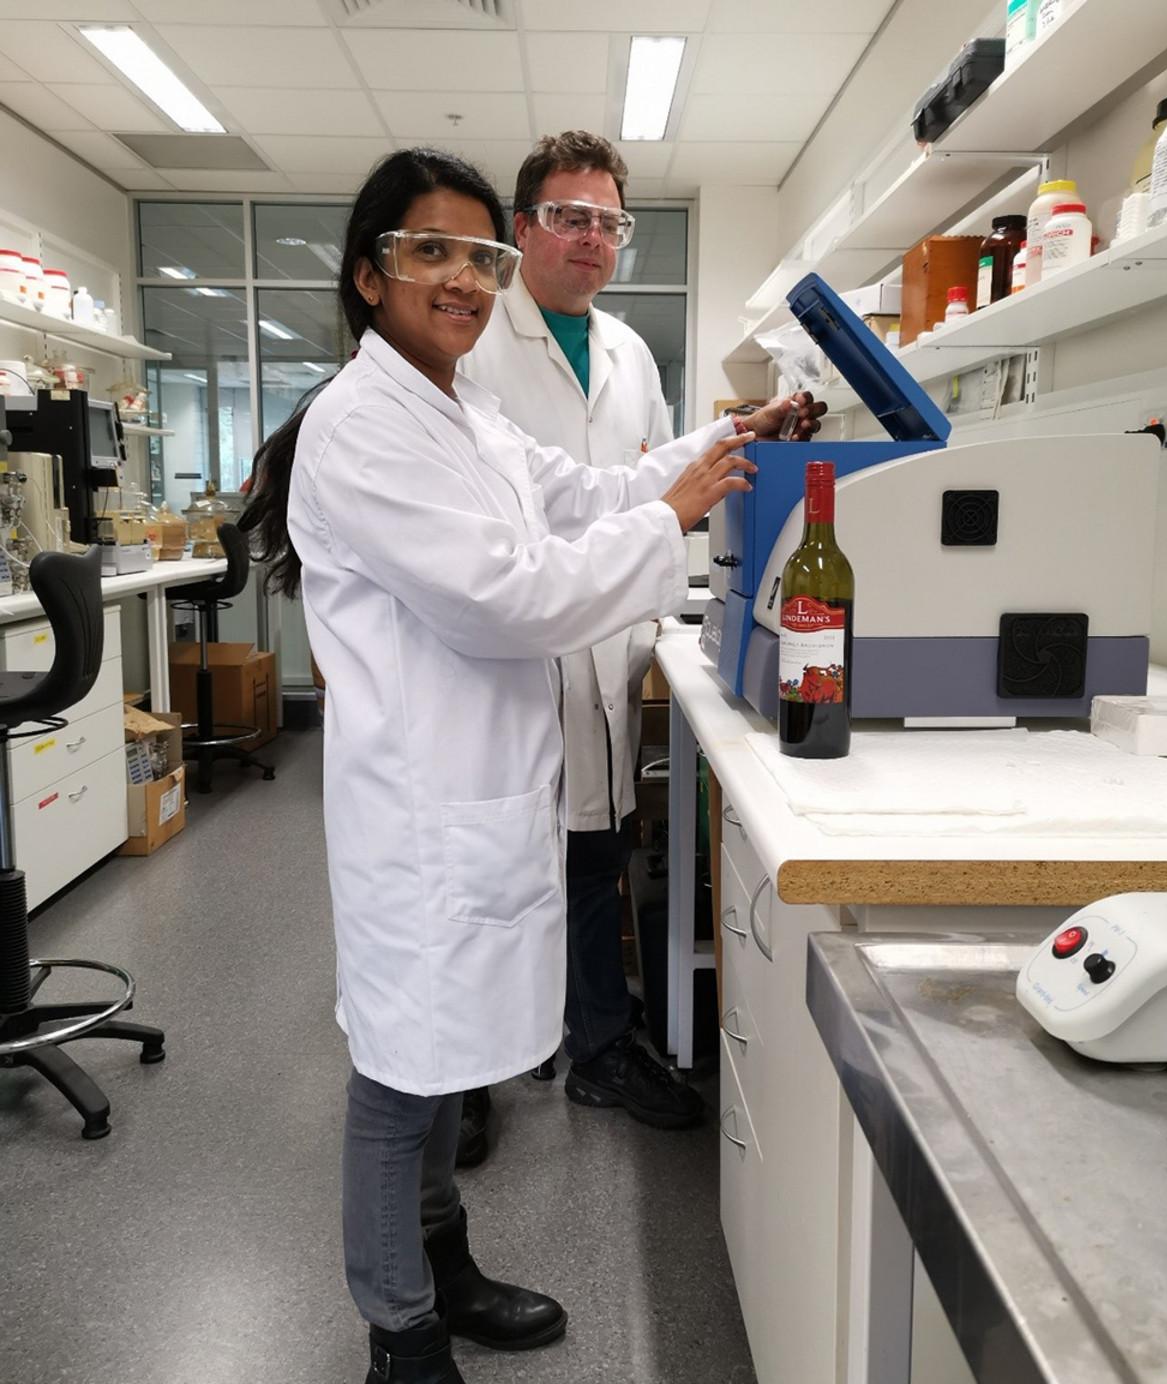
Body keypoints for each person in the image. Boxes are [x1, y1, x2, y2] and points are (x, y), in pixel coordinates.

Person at [241, 146, 818, 1384]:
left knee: (442, 1068)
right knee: (399, 1079)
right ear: (370, 274)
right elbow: (506, 596)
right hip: (417, 808)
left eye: (478, 257)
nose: (463, 277)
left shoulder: (466, 414)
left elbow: (589, 490)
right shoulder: (361, 427)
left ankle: (441, 1270)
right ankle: (400, 1337)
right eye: (430, 251)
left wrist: (727, 440)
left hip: (481, 791)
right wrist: (670, 519)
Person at [457, 131, 825, 1158]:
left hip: (606, 646)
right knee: (495, 865)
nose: (591, 237)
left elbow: (641, 480)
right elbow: (545, 512)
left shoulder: (626, 352)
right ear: (524, 227)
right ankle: (470, 1073)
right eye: (568, 216)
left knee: (594, 853)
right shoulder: (474, 342)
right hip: (509, 648)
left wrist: (740, 433)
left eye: (608, 221)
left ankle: (599, 1045)